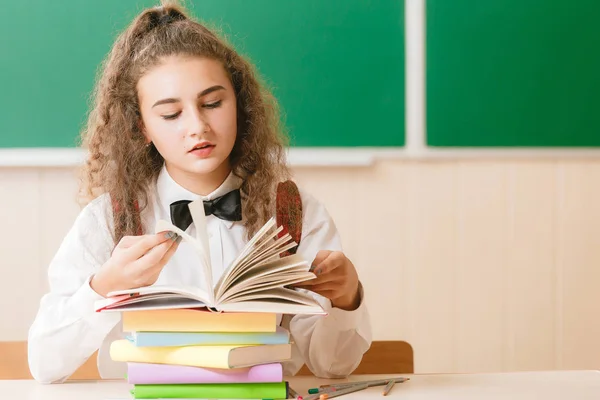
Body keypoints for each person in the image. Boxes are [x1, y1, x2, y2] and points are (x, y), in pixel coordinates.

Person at [27, 1, 372, 384]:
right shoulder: (106, 220)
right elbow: (44, 364)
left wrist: (346, 297)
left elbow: (334, 366)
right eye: (171, 114)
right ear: (141, 128)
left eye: (212, 103)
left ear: (240, 105)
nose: (197, 127)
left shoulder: (292, 212)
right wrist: (103, 288)